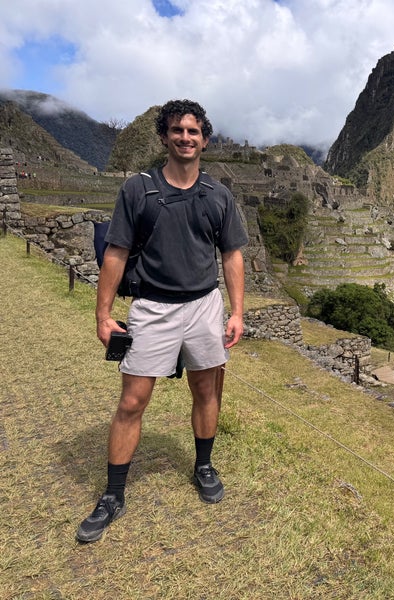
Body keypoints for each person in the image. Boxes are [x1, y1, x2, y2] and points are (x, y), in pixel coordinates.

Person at [76, 99, 249, 543]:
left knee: (207, 390)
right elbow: (116, 252)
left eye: (193, 132)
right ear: (164, 136)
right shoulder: (138, 190)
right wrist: (102, 314)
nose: (185, 138)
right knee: (132, 401)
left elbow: (231, 254)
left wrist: (236, 312)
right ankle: (113, 494)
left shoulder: (218, 195)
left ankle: (203, 465)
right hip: (152, 307)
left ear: (205, 140)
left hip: (204, 305)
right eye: (177, 130)